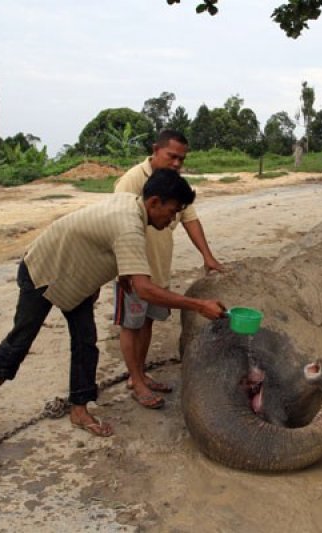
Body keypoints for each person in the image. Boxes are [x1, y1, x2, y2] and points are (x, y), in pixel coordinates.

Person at [0, 169, 226, 440]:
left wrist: (95, 283)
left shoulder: (132, 204)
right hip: (43, 271)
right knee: (20, 340)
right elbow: (143, 289)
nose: (172, 220)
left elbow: (94, 241)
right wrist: (199, 306)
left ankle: (79, 409)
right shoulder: (129, 226)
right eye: (172, 211)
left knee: (85, 342)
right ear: (154, 202)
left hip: (76, 280)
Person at [113, 129, 224, 409]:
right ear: (155, 150)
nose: (176, 163)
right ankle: (136, 380)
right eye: (172, 156)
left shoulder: (176, 184)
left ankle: (139, 373)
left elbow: (191, 219)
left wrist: (208, 256)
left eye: (181, 159)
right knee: (130, 324)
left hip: (159, 268)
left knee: (147, 321)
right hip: (133, 269)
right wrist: (123, 269)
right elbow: (114, 225)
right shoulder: (131, 182)